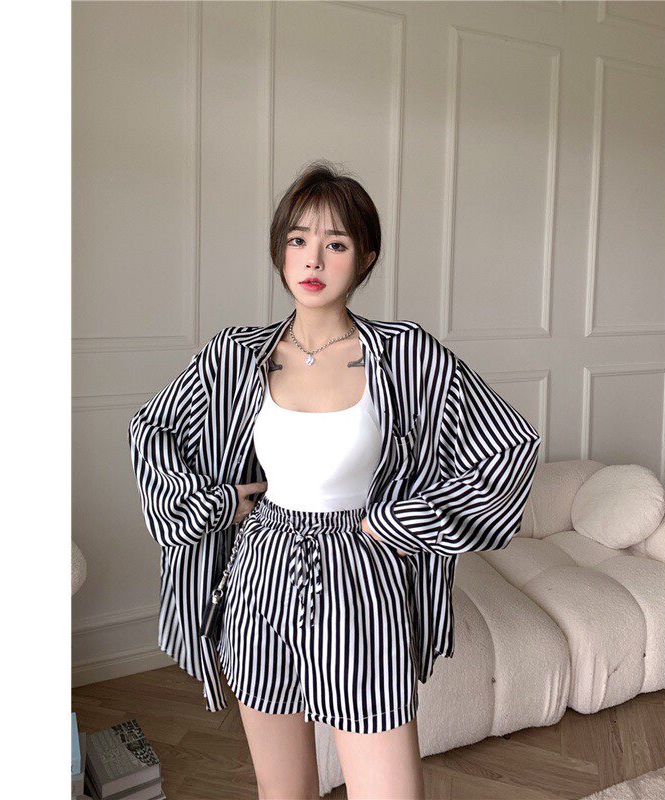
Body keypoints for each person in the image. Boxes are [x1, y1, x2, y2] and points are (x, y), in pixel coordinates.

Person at [128, 160, 542, 799]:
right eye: (298, 239)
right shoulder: (236, 355)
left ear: (365, 257)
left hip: (364, 576)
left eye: (336, 243)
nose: (313, 258)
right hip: (259, 577)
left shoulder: (405, 353)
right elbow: (152, 431)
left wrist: (400, 522)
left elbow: (509, 446)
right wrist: (215, 505)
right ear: (280, 250)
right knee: (283, 792)